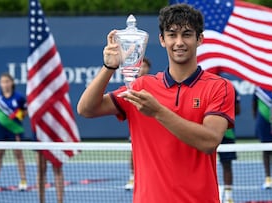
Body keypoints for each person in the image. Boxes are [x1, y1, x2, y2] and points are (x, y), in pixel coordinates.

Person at [77, 3, 235, 203]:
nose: (179, 42)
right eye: (172, 35)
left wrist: (158, 111)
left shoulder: (219, 87)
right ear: (162, 40)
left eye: (187, 34)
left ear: (199, 39)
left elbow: (209, 142)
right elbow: (86, 109)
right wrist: (109, 67)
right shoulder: (142, 85)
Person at [0, 72, 28, 191]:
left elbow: (25, 112)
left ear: (12, 83)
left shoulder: (19, 97)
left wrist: (17, 116)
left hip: (15, 130)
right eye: (3, 82)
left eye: (7, 81)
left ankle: (23, 181)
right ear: (0, 84)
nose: (5, 84)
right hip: (0, 130)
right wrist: (4, 122)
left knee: (18, 155)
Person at [124, 57, 151, 190]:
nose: (143, 69)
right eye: (141, 66)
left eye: (145, 66)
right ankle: (132, 177)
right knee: (133, 152)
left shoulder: (153, 84)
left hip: (151, 125)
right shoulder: (131, 85)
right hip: (136, 125)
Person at [218, 88, 240, 203]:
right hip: (204, 132)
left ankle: (228, 197)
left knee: (227, 165)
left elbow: (238, 111)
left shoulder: (230, 89)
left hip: (227, 134)